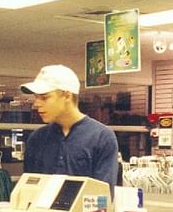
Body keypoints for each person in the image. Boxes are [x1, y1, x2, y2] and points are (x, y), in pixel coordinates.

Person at [20, 64, 119, 193]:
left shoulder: (101, 137)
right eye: (36, 97)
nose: (36, 104)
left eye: (44, 97)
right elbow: (29, 190)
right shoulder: (37, 138)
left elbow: (103, 194)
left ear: (67, 96)